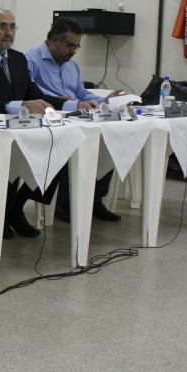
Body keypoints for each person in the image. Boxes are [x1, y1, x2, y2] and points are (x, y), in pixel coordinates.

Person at [0, 8, 67, 239]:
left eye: (13, 27)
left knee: (60, 147)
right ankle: (1, 213)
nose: (9, 32)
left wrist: (73, 104)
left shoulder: (18, 59)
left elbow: (36, 96)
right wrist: (18, 105)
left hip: (20, 130)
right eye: (2, 26)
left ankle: (16, 206)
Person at [24, 18, 123, 222]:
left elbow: (82, 94)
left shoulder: (72, 66)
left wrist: (105, 100)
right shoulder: (30, 61)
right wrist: (69, 103)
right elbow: (30, 93)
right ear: (53, 40)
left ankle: (95, 199)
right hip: (49, 119)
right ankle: (65, 204)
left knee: (109, 138)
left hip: (77, 116)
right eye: (70, 45)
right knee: (74, 140)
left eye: (77, 46)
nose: (73, 51)